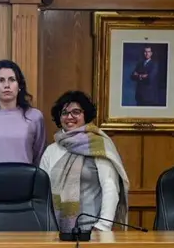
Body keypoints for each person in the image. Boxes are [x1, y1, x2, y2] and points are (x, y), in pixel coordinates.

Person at [40, 90, 130, 232]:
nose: (70, 117)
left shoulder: (98, 144)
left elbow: (110, 186)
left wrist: (103, 226)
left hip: (91, 230)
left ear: (85, 114)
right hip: (55, 230)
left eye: (76, 112)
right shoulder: (51, 150)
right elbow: (42, 192)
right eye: (64, 113)